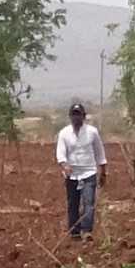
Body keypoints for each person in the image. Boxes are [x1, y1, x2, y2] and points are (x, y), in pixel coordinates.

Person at [54, 99, 104, 237]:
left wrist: (103, 170)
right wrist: (64, 165)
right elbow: (60, 153)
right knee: (73, 204)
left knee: (88, 202)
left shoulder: (92, 132)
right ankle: (74, 231)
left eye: (79, 114)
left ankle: (87, 231)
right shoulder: (64, 133)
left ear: (84, 116)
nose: (76, 117)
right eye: (74, 114)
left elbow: (100, 152)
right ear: (70, 116)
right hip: (72, 174)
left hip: (89, 173)